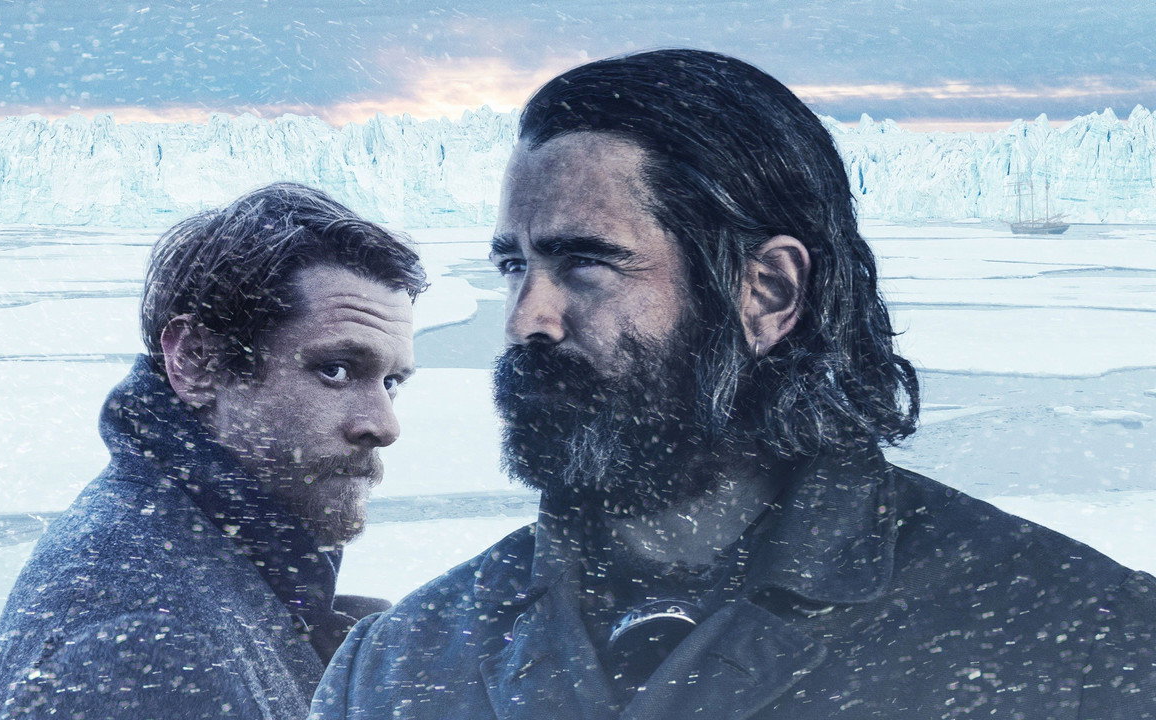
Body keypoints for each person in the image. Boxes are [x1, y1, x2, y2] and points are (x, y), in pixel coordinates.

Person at [310, 50, 1156, 718]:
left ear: (768, 294)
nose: (528, 318)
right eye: (513, 266)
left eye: (586, 263)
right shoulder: (399, 668)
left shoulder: (1082, 644)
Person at [0, 182, 427, 719]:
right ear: (197, 363)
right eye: (336, 370)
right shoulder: (143, 645)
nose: (384, 425)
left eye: (391, 382)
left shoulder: (197, 563)